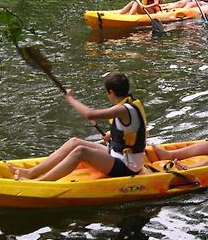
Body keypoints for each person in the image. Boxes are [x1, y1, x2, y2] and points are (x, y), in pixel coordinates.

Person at [8, 72, 147, 181]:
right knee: (74, 142)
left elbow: (90, 114)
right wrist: (112, 136)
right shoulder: (131, 103)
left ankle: (40, 182)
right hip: (118, 154)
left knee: (81, 151)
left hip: (128, 166)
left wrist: (70, 99)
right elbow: (134, 131)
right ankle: (32, 172)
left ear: (110, 92)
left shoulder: (123, 109)